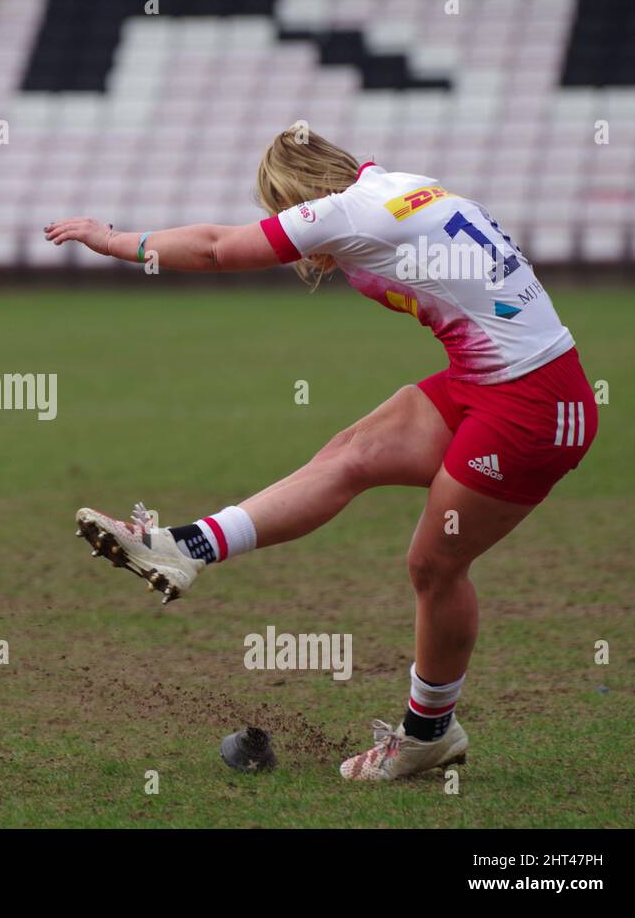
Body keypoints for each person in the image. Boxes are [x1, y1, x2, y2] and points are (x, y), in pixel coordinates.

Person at [45, 128, 598, 781]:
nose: (287, 231)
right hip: (489, 382)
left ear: (296, 195)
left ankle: (428, 735)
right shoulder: (402, 188)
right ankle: (181, 549)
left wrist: (112, 238)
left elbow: (220, 248)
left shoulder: (348, 211)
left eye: (279, 208)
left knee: (435, 565)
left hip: (532, 405)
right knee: (351, 454)